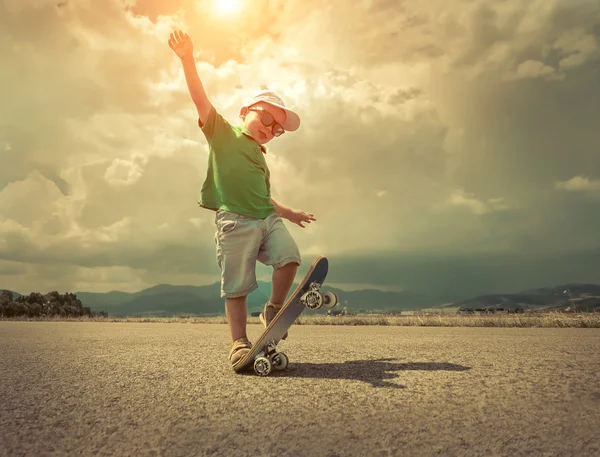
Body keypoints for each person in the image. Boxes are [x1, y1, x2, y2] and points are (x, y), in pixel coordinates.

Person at [168, 30, 316, 367]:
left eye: (277, 129)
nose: (270, 128)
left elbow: (263, 197)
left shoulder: (260, 156)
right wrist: (187, 58)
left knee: (290, 257)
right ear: (245, 110)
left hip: (267, 218)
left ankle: (275, 309)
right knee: (237, 286)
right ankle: (238, 342)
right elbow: (199, 99)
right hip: (235, 222)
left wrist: (289, 213)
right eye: (266, 117)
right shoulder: (222, 133)